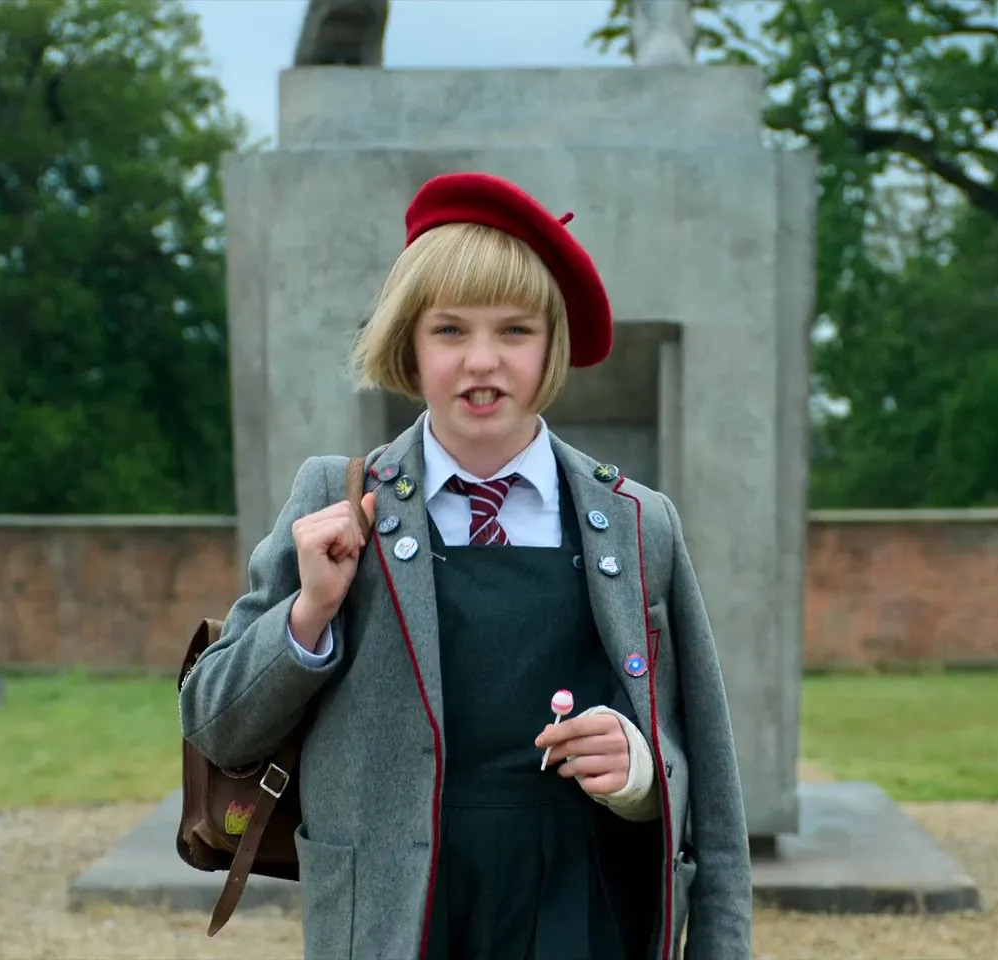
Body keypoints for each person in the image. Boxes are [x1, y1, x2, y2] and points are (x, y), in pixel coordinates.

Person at [178, 171, 752, 960]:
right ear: (409, 345)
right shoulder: (335, 499)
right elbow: (215, 725)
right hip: (397, 924)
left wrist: (643, 778)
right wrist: (308, 615)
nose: (483, 361)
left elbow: (709, 781)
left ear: (551, 346)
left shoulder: (638, 523)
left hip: (584, 916)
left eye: (514, 330)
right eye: (450, 330)